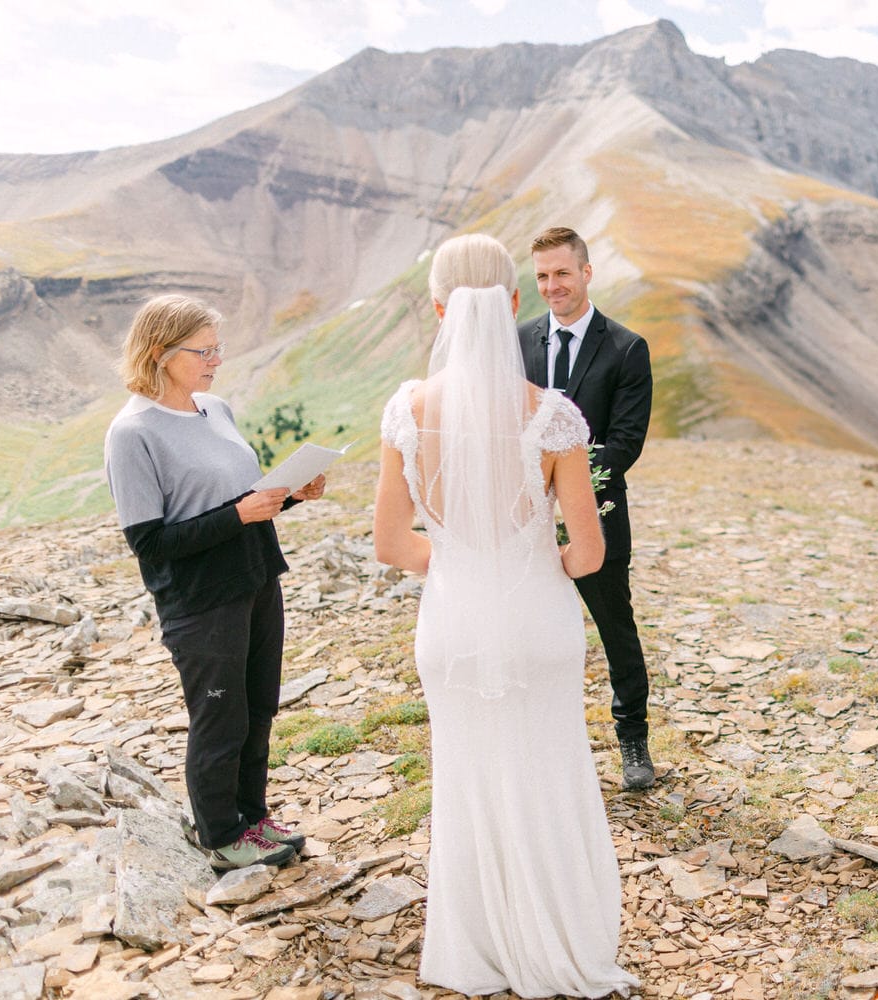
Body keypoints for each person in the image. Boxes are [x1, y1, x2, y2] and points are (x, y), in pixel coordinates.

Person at [374, 233, 637, 998]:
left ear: (438, 310)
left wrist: (462, 565)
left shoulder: (406, 411)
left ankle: (480, 948)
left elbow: (392, 544)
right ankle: (562, 938)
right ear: (514, 304)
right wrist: (525, 567)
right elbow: (587, 555)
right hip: (538, 628)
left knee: (470, 780)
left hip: (453, 625)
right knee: (550, 775)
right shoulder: (552, 415)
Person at [104, 294, 324, 870]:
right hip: (201, 602)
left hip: (256, 577)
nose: (215, 361)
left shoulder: (215, 408)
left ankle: (253, 818)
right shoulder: (132, 434)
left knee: (258, 706)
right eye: (203, 350)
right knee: (220, 714)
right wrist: (238, 515)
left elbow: (241, 500)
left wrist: (292, 495)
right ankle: (220, 834)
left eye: (216, 348)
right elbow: (148, 543)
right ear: (160, 353)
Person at [517, 227, 657, 791]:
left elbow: (624, 444)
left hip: (596, 516)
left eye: (562, 273)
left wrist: (561, 488)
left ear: (587, 272)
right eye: (543, 276)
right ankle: (537, 745)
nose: (553, 286)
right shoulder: (516, 340)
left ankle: (633, 741)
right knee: (527, 632)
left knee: (615, 629)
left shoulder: (626, 348)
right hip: (522, 521)